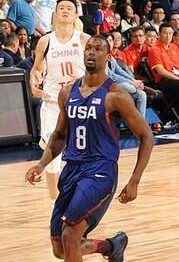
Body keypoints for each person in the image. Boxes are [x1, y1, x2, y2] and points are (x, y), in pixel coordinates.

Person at [25, 35, 154, 262]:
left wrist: (134, 180)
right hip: (71, 169)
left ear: (108, 56)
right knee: (60, 248)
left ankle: (110, 246)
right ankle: (111, 246)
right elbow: (59, 135)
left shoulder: (116, 95)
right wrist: (41, 163)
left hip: (100, 171)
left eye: (98, 49)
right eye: (89, 48)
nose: (92, 52)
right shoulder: (68, 92)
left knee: (71, 235)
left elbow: (146, 136)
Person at [30, 0, 90, 199]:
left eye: (69, 8)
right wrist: (34, 79)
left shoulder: (84, 40)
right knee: (51, 151)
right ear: (55, 14)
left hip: (80, 103)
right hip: (52, 102)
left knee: (80, 152)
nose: (65, 10)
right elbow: (36, 69)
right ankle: (55, 200)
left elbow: (98, 71)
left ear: (75, 15)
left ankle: (78, 196)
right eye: (61, 7)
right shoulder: (45, 40)